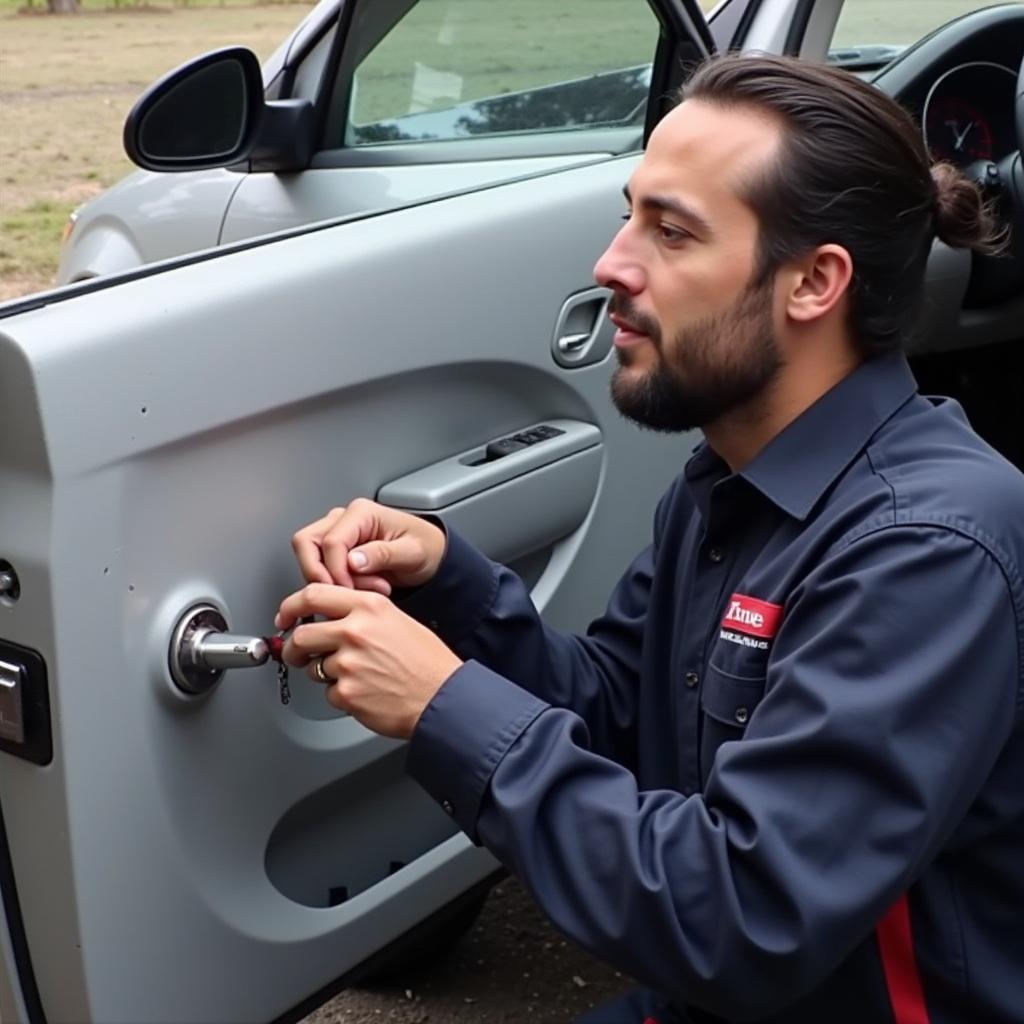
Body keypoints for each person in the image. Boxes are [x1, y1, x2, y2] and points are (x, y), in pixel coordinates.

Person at [275, 54, 1024, 1023]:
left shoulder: (929, 546)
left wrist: (441, 704)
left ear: (813, 282)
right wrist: (449, 579)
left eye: (671, 232)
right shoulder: (733, 479)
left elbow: (744, 916)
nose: (611, 263)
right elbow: (618, 717)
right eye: (629, 214)